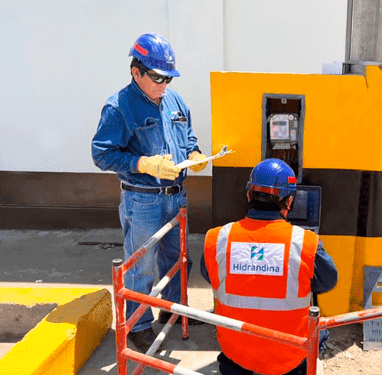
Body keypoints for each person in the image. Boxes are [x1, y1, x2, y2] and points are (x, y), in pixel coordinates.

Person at [92, 33, 209, 352]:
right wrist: (143, 163)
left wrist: (195, 154)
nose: (163, 84)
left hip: (176, 195)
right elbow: (102, 153)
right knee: (142, 263)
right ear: (136, 72)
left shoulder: (175, 101)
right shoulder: (119, 107)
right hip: (142, 199)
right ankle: (138, 325)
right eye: (157, 77)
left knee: (178, 258)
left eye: (167, 77)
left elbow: (188, 136)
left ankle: (173, 308)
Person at [201, 158, 338, 375]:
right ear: (289, 202)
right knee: (320, 330)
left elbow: (210, 275)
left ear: (248, 195)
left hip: (236, 348)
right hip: (289, 353)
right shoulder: (305, 242)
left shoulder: (217, 238)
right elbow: (328, 281)